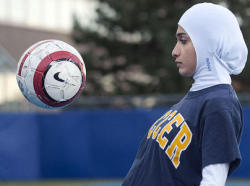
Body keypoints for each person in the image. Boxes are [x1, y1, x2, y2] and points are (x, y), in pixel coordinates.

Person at [122, 2, 248, 186]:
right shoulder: (195, 99)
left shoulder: (219, 103)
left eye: (183, 40)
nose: (174, 51)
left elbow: (213, 180)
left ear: (208, 43)